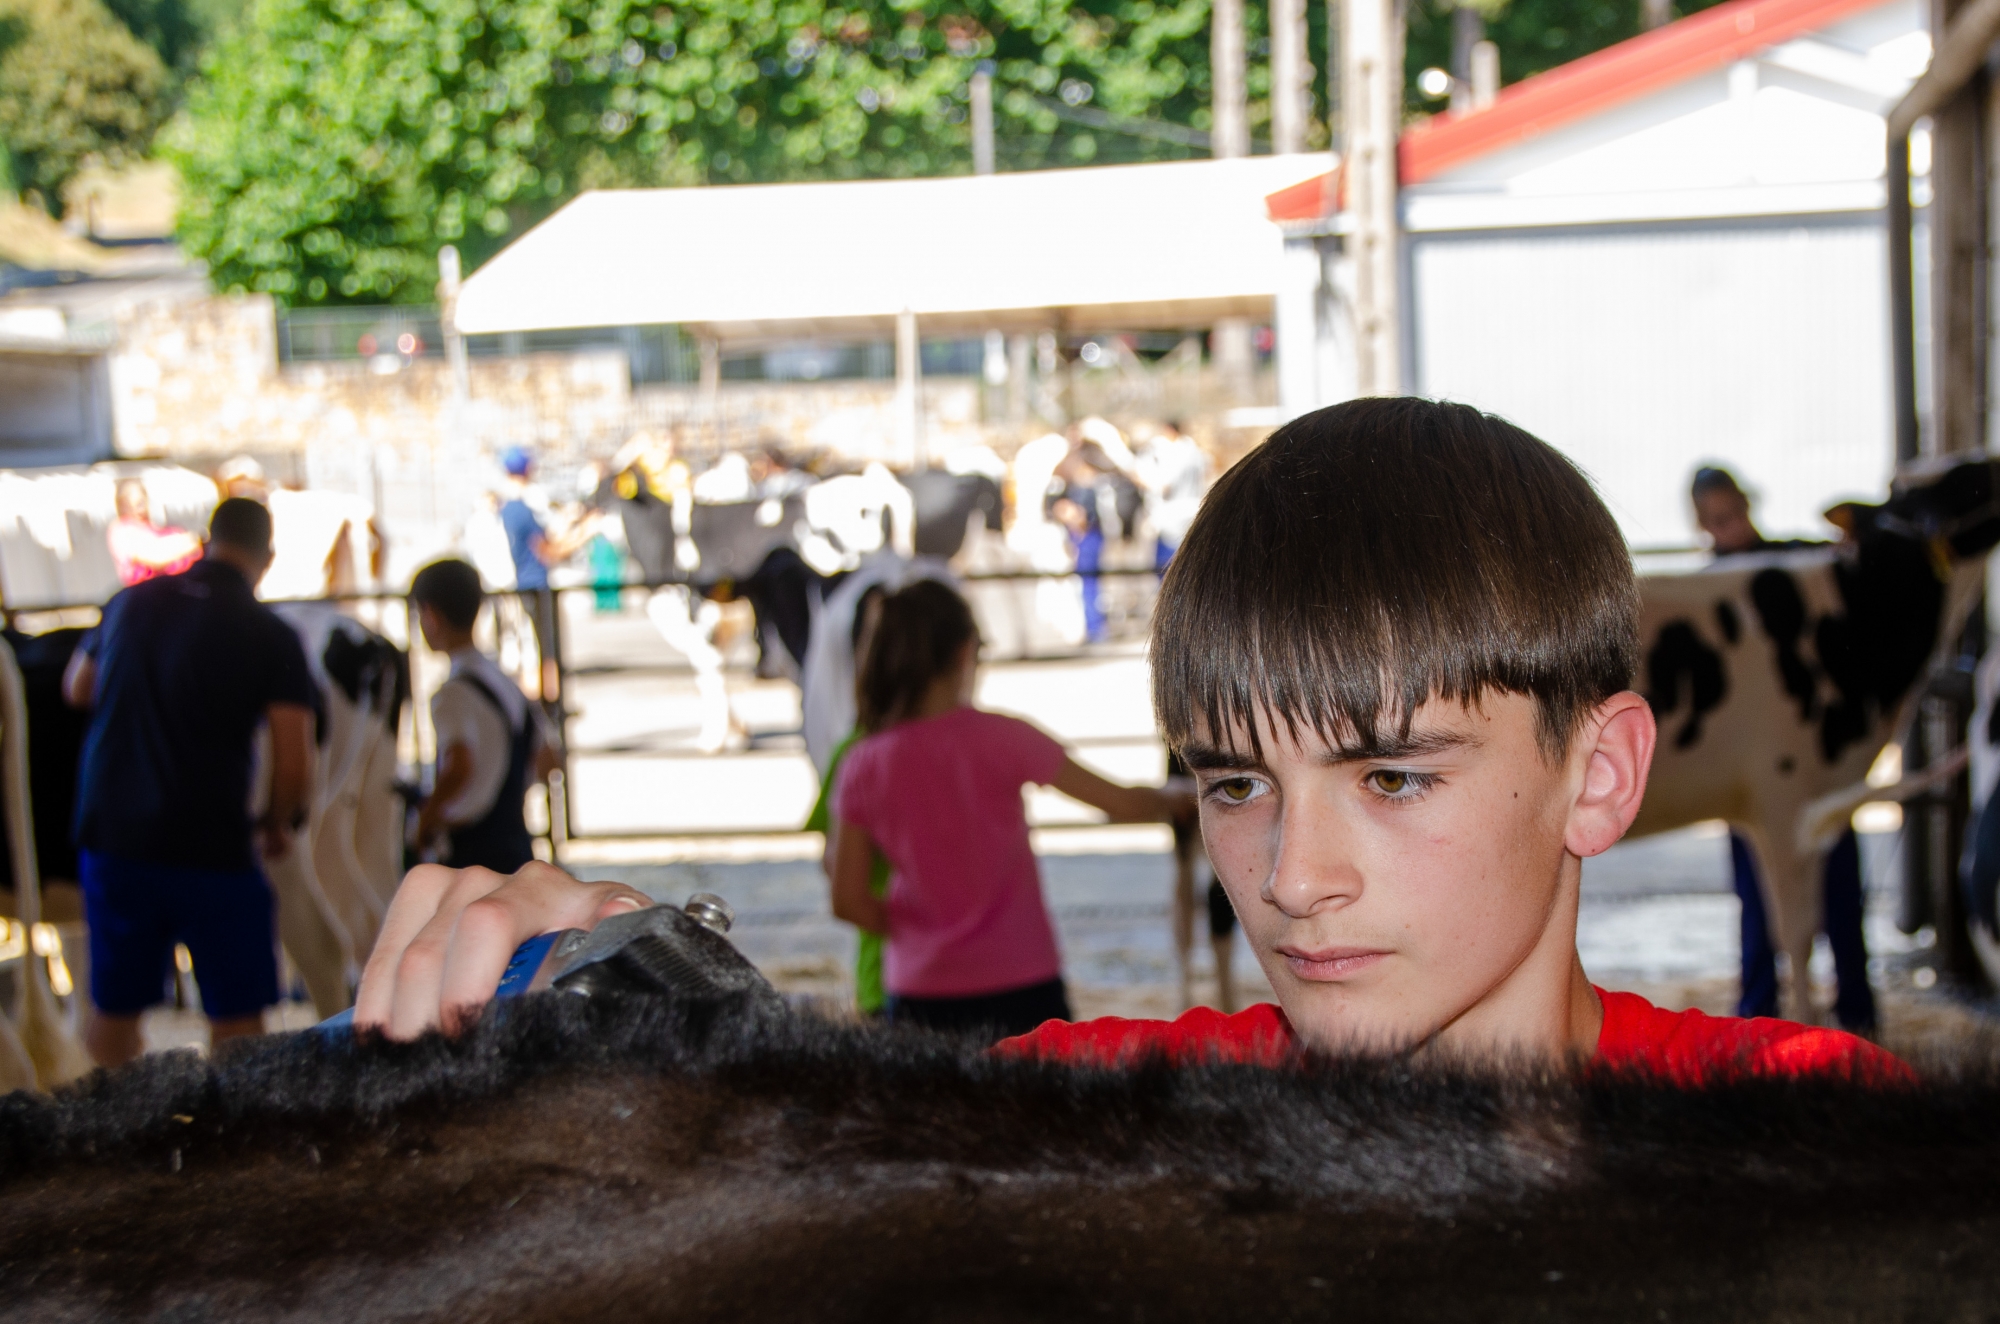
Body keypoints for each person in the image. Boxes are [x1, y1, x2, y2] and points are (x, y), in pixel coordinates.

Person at [352, 400, 1900, 1083]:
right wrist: (638, 994)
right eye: (1235, 783)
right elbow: (817, 1163)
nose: (1290, 877)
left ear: (1599, 775)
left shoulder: (1817, 1141)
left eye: (1391, 775)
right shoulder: (1088, 1118)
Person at [824, 579, 1188, 1041]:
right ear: (965, 653)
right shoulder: (1004, 738)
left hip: (920, 990)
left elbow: (847, 899)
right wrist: (1184, 797)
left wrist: (922, 933)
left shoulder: (864, 763)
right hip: (1022, 980)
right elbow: (1120, 802)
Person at [63, 497, 315, 1066]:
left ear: (206, 541)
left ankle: (108, 1122)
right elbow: (293, 760)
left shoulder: (129, 601)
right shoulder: (269, 633)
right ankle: (227, 1125)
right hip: (211, 844)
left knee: (113, 1011)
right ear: (266, 558)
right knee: (237, 1020)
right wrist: (278, 822)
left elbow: (77, 687)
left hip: (115, 837)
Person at [1692, 464, 1877, 1031]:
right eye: (1716, 519)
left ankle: (1856, 1011)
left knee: (1839, 887)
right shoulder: (1704, 592)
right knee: (1757, 893)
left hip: (1816, 758)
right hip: (1751, 771)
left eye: (1732, 513)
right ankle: (1759, 1014)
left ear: (1747, 505)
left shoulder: (1799, 563)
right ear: (1702, 524)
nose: (1728, 526)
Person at [408, 558, 560, 874]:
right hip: (516, 844)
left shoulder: (451, 694)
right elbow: (548, 758)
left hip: (472, 853)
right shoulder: (504, 680)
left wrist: (427, 817)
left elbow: (458, 765)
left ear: (431, 616)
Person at [498, 446, 598, 714]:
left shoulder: (508, 508)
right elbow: (550, 552)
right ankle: (547, 709)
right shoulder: (522, 509)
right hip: (534, 585)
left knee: (535, 649)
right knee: (544, 651)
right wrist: (586, 532)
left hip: (523, 585)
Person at [1134, 421, 1209, 573]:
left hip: (1172, 520)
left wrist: (1140, 480)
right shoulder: (1195, 451)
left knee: (1169, 570)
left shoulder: (1176, 453)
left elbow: (1165, 486)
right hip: (1190, 513)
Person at [106, 477, 200, 586]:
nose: (141, 508)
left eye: (142, 501)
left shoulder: (152, 527)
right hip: (144, 591)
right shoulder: (121, 530)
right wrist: (191, 543)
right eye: (137, 504)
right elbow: (157, 558)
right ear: (122, 504)